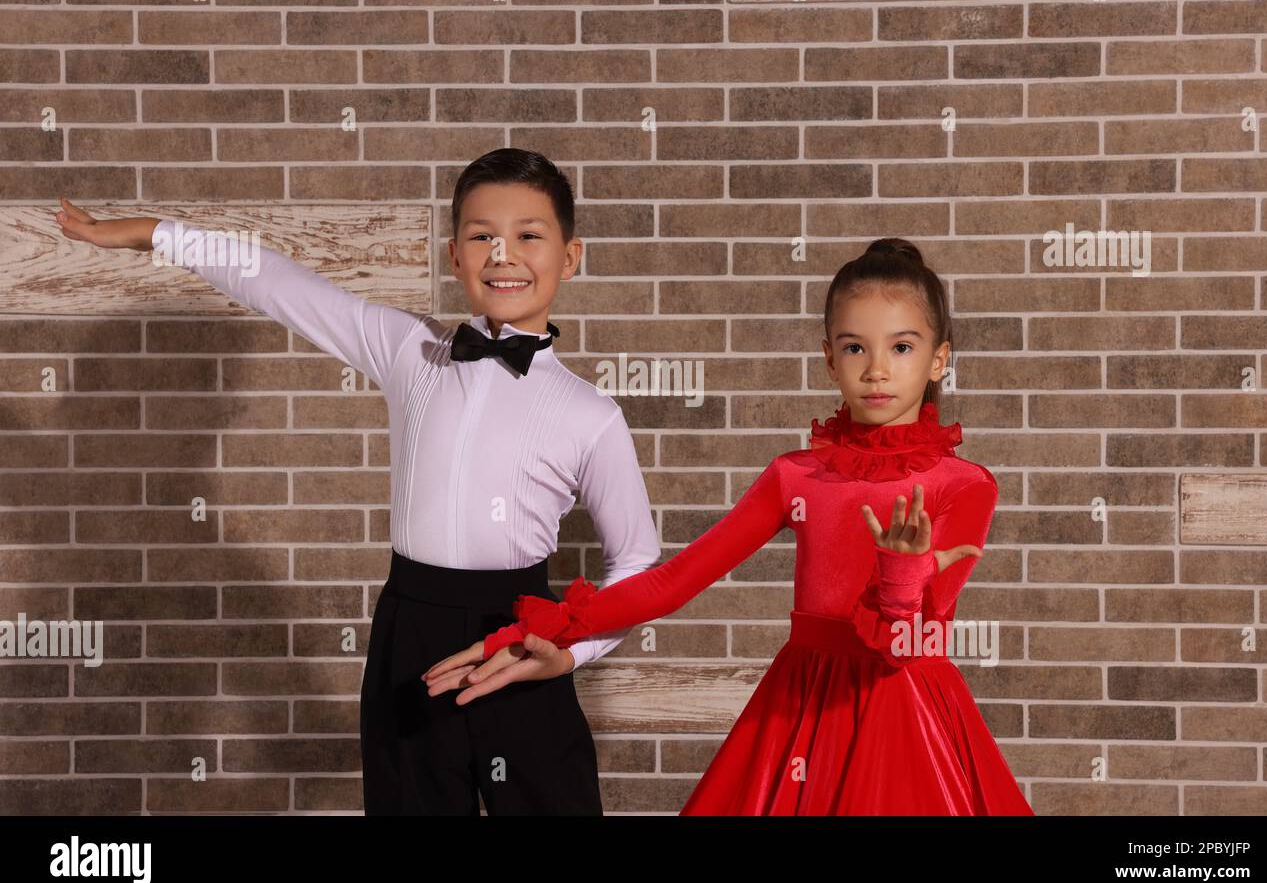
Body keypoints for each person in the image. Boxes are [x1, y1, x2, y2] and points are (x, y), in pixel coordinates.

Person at [52, 147, 660, 815]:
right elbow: (278, 283)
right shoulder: (409, 350)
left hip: (521, 636)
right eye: (482, 235)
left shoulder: (591, 415)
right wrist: (154, 232)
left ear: (570, 256)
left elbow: (637, 559)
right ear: (454, 255)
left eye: (528, 236)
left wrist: (571, 653)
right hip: (410, 634)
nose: (502, 254)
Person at [425, 238, 1034, 815]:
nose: (876, 369)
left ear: (938, 359)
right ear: (828, 357)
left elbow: (904, 642)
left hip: (905, 714)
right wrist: (547, 629)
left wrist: (901, 575)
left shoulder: (965, 485)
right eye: (854, 347)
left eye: (901, 348)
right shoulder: (796, 476)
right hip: (803, 704)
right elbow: (674, 581)